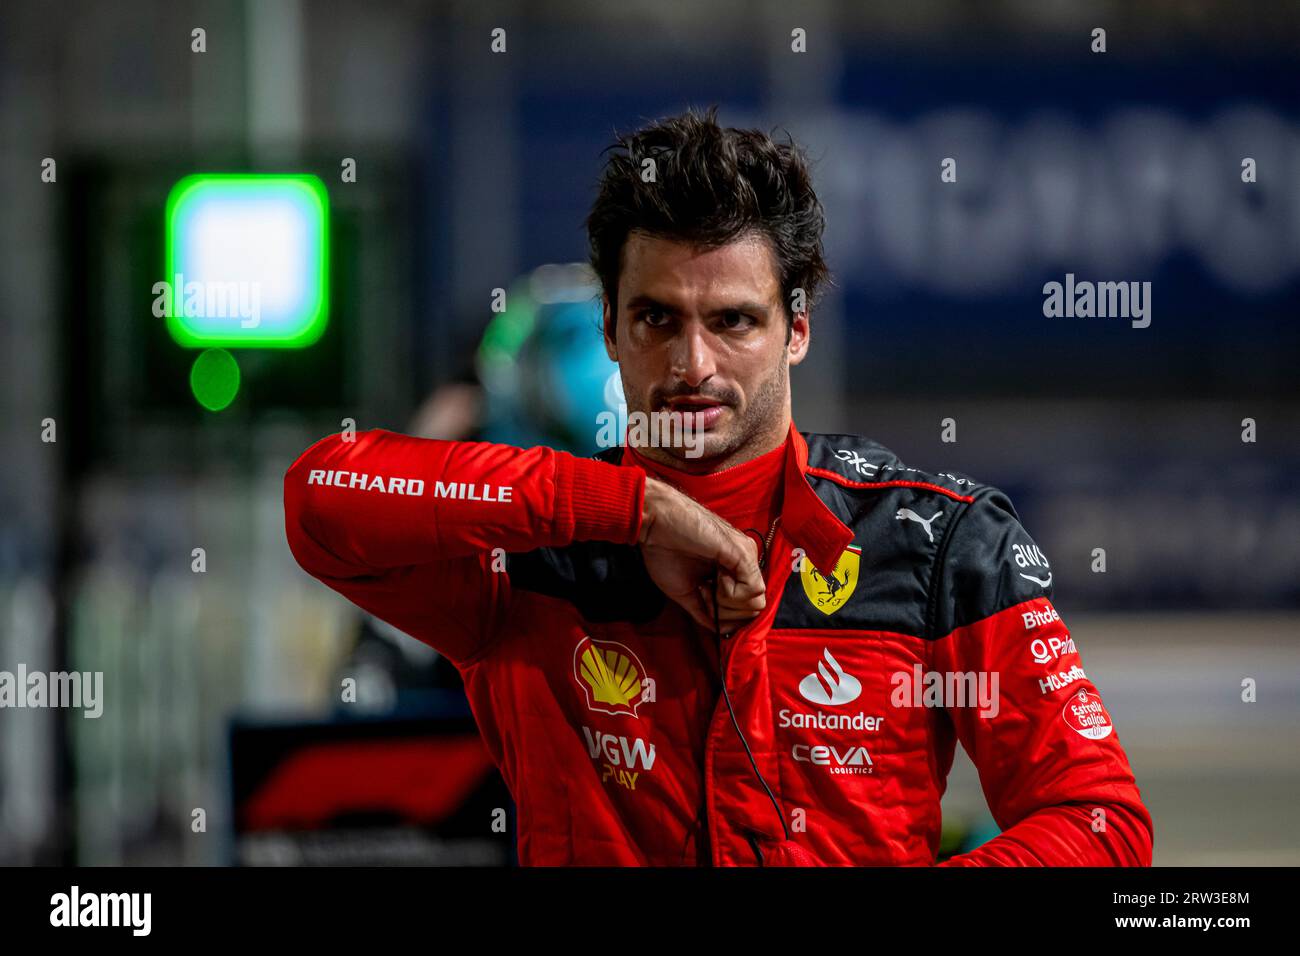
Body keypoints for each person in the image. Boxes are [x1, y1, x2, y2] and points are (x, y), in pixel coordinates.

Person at [283, 107, 1153, 866]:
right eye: (657, 318)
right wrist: (635, 508)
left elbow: (1102, 822)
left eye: (733, 320)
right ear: (612, 331)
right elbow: (319, 499)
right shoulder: (533, 558)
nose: (693, 366)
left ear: (796, 331)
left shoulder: (939, 544)